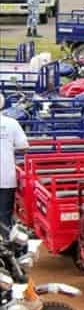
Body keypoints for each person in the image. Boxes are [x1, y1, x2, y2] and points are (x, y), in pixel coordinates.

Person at [0, 93, 29, 230]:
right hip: (5, 177)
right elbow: (23, 147)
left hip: (6, 177)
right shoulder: (12, 123)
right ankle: (5, 242)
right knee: (5, 216)